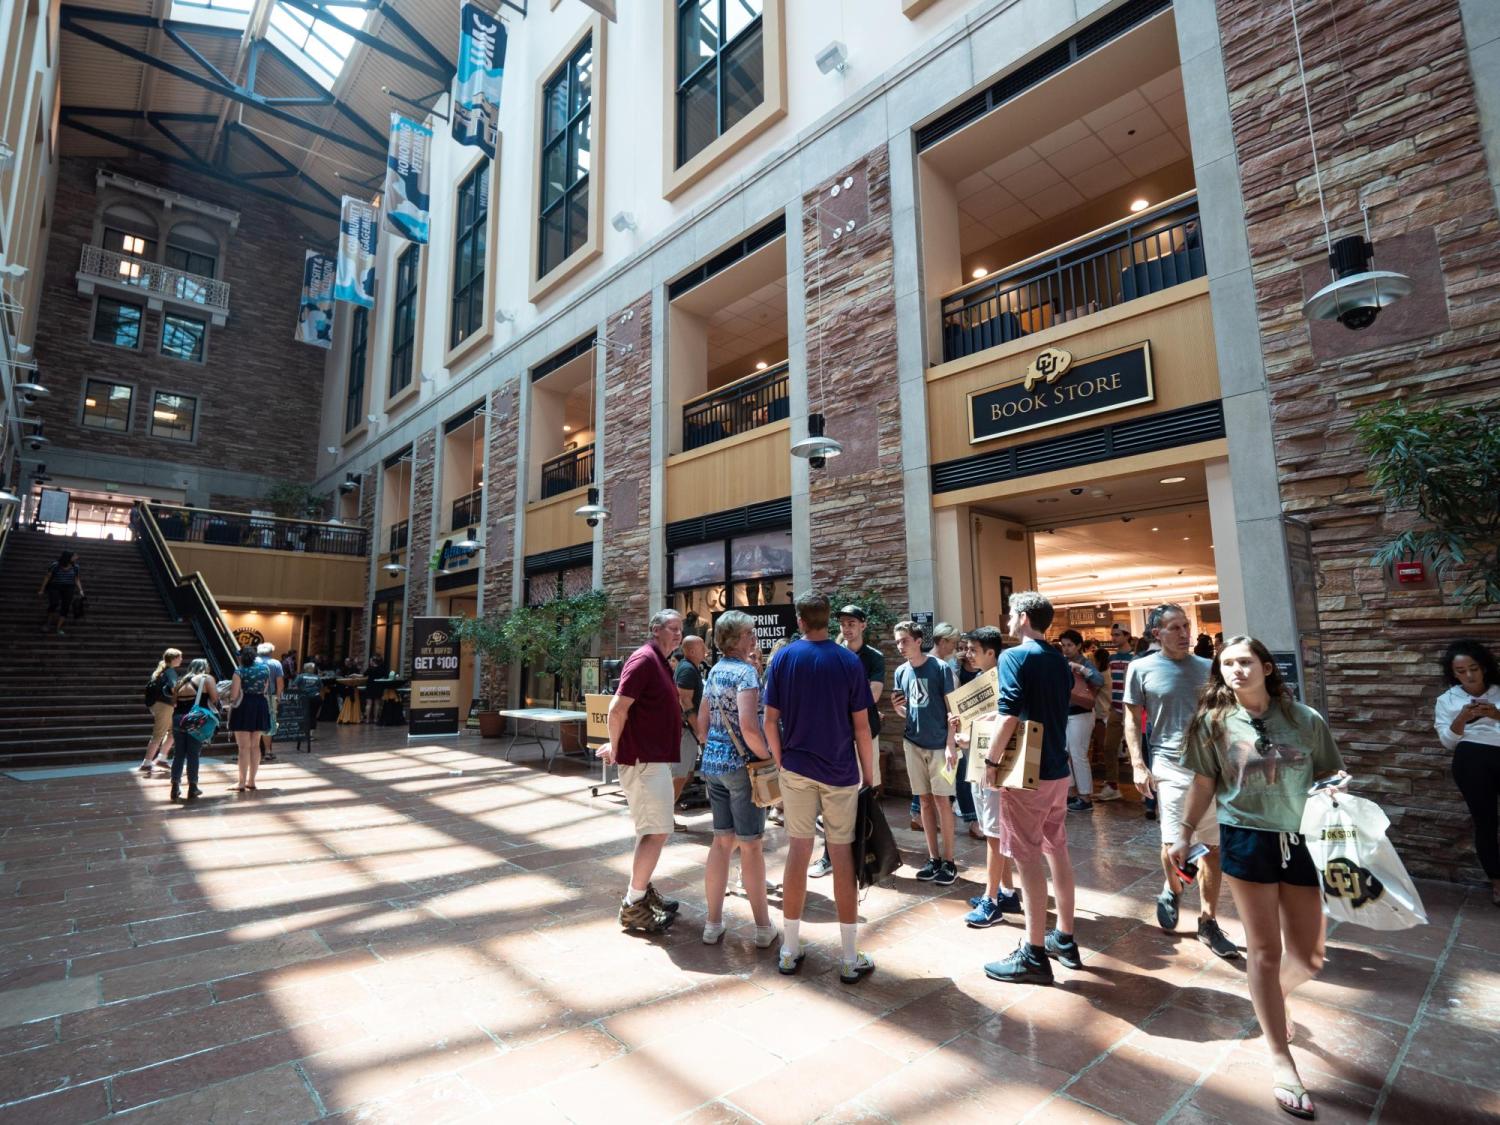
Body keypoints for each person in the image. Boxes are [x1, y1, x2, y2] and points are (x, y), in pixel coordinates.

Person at [1174, 636, 1346, 1120]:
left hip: (1304, 840)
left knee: (1310, 956)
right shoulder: (1212, 722)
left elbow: (1331, 773)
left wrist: (1336, 791)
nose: (1236, 670)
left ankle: (1273, 995)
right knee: (1265, 951)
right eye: (1227, 664)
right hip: (1246, 839)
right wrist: (1183, 832)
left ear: (1267, 667)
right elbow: (1204, 782)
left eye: (1245, 662)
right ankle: (1280, 1057)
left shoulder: (1305, 720)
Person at [763, 591, 877, 983]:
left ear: (799, 619)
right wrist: (871, 775)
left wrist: (781, 761)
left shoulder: (783, 658)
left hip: (795, 767)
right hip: (840, 771)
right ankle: (848, 957)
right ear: (829, 620)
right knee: (841, 854)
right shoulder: (848, 661)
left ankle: (790, 948)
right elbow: (861, 726)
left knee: (798, 850)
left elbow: (768, 720)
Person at [1125, 604, 1239, 960]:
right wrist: (1137, 765)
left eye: (1186, 625)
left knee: (1213, 847)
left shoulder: (1209, 668)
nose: (1184, 632)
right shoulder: (1140, 668)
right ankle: (1173, 888)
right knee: (1174, 843)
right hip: (1169, 765)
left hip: (1209, 767)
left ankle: (1208, 921)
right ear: (1157, 633)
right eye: (1174, 627)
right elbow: (1130, 720)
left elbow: (1225, 716)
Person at [980, 592, 1081, 984]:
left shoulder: (1013, 656)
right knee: (1058, 851)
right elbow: (1037, 707)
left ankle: (1034, 953)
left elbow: (1008, 714)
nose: (1006, 619)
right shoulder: (1058, 658)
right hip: (1057, 768)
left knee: (1026, 859)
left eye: (1010, 614)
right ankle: (1065, 937)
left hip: (1027, 774)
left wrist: (990, 762)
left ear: (1022, 617)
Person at [597, 610, 687, 933]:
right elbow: (617, 708)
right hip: (643, 763)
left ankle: (642, 891)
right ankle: (633, 905)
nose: (678, 634)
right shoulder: (644, 659)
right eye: (673, 628)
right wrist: (616, 746)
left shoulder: (660, 661)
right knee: (657, 831)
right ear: (655, 629)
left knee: (650, 830)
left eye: (681, 629)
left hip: (653, 759)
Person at [694, 611, 777, 948]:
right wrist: (769, 759)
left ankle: (712, 924)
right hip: (742, 767)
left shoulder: (714, 671)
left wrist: (712, 745)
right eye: (748, 634)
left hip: (713, 765)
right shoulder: (745, 673)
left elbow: (702, 721)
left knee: (721, 841)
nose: (753, 639)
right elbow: (749, 727)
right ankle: (762, 928)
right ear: (735, 639)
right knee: (752, 845)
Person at [808, 605, 886, 879]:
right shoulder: (832, 654)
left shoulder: (873, 657)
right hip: (836, 736)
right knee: (832, 798)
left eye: (852, 622)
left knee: (866, 795)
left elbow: (873, 696)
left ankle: (867, 851)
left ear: (863, 625)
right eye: (842, 623)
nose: (846, 628)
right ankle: (830, 855)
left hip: (865, 735)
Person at [956, 626, 1022, 928]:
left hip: (994, 767)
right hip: (980, 765)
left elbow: (1009, 720)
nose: (968, 654)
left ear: (990, 652)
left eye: (973, 649)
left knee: (994, 836)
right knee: (993, 830)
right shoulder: (981, 681)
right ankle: (1007, 891)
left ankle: (991, 900)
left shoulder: (1006, 680)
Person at [893, 620, 959, 885]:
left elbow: (952, 709)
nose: (900, 646)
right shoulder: (901, 671)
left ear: (919, 640)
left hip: (939, 743)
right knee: (924, 801)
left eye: (904, 640)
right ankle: (933, 858)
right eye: (898, 641)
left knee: (943, 801)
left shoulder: (939, 668)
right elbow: (903, 707)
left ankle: (950, 861)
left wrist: (951, 744)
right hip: (913, 742)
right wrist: (899, 708)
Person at [1435, 639, 1500, 906]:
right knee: (1485, 823)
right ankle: (1497, 882)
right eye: (1461, 671)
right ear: (1453, 674)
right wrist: (1462, 718)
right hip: (1471, 758)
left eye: (1473, 668)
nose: (1469, 675)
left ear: (1484, 667)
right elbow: (1448, 742)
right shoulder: (1447, 699)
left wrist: (1496, 714)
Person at [1057, 630, 1104, 812]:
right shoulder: (1061, 662)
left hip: (1082, 712)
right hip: (1065, 713)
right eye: (1064, 645)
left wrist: (1082, 669)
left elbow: (1099, 680)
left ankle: (1085, 797)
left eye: (1070, 645)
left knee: (1078, 754)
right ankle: (1071, 793)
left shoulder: (1085, 662)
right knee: (1066, 753)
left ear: (1078, 646)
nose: (1066, 649)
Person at [170, 658, 218, 802]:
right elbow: (215, 699)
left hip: (178, 718)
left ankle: (175, 786)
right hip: (195, 720)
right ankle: (193, 786)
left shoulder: (180, 681)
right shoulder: (206, 679)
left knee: (178, 753)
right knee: (193, 754)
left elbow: (174, 702)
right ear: (205, 667)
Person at [1096, 625, 1135, 804]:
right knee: (1109, 747)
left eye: (1117, 635)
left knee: (1138, 750)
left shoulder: (1135, 658)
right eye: (1112, 634)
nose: (1113, 638)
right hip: (1116, 708)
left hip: (1132, 709)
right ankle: (1112, 786)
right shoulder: (1112, 659)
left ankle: (1148, 788)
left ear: (1127, 636)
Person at [227, 645, 272, 793]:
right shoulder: (265, 669)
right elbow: (265, 689)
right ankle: (251, 781)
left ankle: (241, 782)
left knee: (243, 747)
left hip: (244, 707)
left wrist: (229, 701)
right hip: (260, 705)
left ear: (240, 657)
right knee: (255, 745)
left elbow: (234, 696)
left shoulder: (239, 671)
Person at [673, 634, 708, 815]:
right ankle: (664, 817)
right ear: (693, 651)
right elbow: (685, 701)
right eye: (703, 648)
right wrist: (698, 730)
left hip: (687, 731)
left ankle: (665, 816)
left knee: (683, 774)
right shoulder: (687, 669)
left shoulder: (690, 668)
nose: (706, 651)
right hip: (685, 731)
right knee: (679, 775)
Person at [140, 648, 183, 775]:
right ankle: (146, 763)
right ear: (173, 659)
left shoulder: (161, 670)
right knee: (158, 733)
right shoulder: (170, 672)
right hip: (164, 705)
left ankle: (162, 758)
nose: (181, 659)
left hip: (159, 704)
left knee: (174, 731)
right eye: (179, 657)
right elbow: (174, 688)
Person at [37, 549, 83, 636]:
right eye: (74, 556)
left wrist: (81, 590)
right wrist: (42, 590)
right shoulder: (55, 565)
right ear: (68, 557)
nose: (76, 557)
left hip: (69, 587)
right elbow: (47, 577)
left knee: (65, 607)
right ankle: (47, 624)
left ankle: (58, 628)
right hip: (55, 586)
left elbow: (77, 579)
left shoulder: (76, 567)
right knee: (54, 603)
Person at [256, 643, 285, 763]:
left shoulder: (253, 662)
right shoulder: (276, 663)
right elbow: (280, 683)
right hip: (270, 696)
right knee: (269, 722)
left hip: (254, 696)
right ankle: (268, 751)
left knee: (255, 722)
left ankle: (255, 751)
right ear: (270, 652)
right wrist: (278, 697)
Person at [361, 653, 387, 723]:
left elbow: (363, 675)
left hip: (370, 686)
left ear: (373, 661)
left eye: (370, 661)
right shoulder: (382, 669)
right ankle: (375, 719)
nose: (370, 662)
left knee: (368, 703)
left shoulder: (370, 669)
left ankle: (367, 719)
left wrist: (355, 675)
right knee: (377, 703)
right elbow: (385, 677)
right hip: (378, 687)